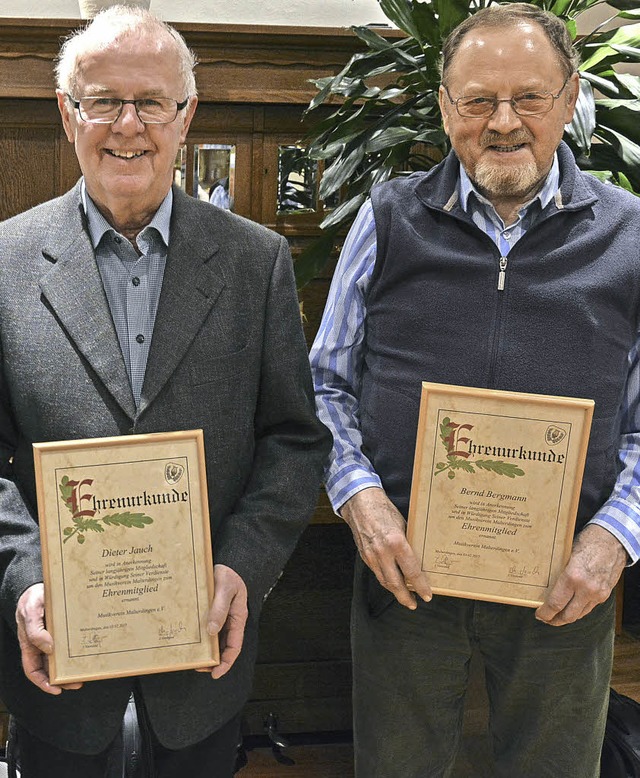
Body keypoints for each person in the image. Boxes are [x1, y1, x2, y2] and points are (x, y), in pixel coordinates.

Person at [310, 4, 640, 777]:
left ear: (570, 99)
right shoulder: (388, 218)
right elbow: (324, 384)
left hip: (567, 587)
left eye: (529, 97)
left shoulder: (631, 234)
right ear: (444, 105)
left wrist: (612, 539)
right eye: (477, 100)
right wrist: (364, 504)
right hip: (407, 580)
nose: (503, 123)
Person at [0, 6, 330, 777]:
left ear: (186, 116)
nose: (127, 125)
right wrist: (24, 578)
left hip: (201, 665)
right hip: (58, 667)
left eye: (151, 102)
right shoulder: (5, 262)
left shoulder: (258, 263)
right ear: (65, 112)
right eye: (102, 100)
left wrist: (241, 568)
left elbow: (295, 439)